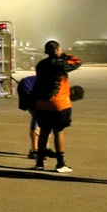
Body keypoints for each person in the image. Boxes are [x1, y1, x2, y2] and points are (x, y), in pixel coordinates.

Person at [33, 40, 81, 173]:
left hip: (42, 103)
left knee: (44, 132)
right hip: (59, 103)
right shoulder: (61, 64)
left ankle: (40, 162)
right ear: (57, 49)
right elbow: (77, 61)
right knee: (58, 132)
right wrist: (63, 55)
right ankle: (60, 164)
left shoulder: (40, 64)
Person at [17, 74, 42, 159]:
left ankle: (39, 149)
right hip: (28, 89)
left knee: (40, 119)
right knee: (38, 116)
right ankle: (35, 150)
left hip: (27, 86)